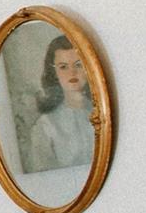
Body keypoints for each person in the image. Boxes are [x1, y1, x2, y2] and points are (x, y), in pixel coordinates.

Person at [24, 35, 96, 171]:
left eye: (79, 65)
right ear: (54, 72)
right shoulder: (45, 125)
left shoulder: (102, 112)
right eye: (63, 67)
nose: (72, 72)